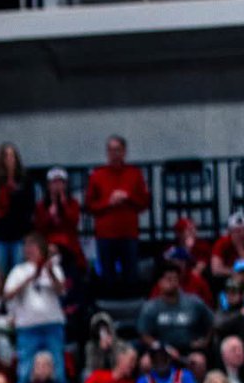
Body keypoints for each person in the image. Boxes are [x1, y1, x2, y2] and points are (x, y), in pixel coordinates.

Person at [85, 135, 150, 292]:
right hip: (105, 235)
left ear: (124, 152)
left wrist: (128, 198)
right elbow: (89, 206)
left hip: (128, 233)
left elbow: (144, 203)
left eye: (118, 150)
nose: (114, 154)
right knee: (108, 278)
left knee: (131, 277)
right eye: (111, 150)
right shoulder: (97, 175)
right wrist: (108, 202)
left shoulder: (134, 174)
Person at [3, 232, 67, 383]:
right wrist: (29, 279)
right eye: (27, 246)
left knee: (58, 365)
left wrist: (49, 271)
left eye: (33, 246)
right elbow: (7, 295)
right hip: (27, 327)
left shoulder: (54, 269)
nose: (29, 250)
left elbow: (62, 291)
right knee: (25, 368)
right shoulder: (18, 271)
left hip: (52, 324)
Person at [0, 143, 35, 276]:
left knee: (19, 273)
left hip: (18, 235)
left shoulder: (25, 183)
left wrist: (16, 194)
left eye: (12, 156)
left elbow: (29, 207)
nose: (9, 160)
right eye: (6, 156)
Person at [137, 265, 213, 358]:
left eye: (175, 279)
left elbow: (212, 322)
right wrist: (161, 347)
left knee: (198, 361)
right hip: (161, 351)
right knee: (146, 363)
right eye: (168, 279)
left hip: (189, 350)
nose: (172, 282)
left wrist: (205, 341)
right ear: (160, 282)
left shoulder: (194, 302)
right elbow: (144, 334)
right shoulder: (151, 307)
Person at [33, 167, 84, 269]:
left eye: (61, 182)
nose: (57, 186)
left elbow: (74, 222)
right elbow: (38, 228)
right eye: (54, 182)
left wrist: (64, 204)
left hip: (69, 247)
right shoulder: (41, 206)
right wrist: (49, 215)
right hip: (48, 247)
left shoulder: (73, 203)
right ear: (48, 185)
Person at [211, 212, 244, 278]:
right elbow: (215, 269)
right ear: (230, 232)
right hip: (229, 277)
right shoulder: (222, 243)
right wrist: (236, 273)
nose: (241, 234)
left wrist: (241, 250)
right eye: (237, 231)